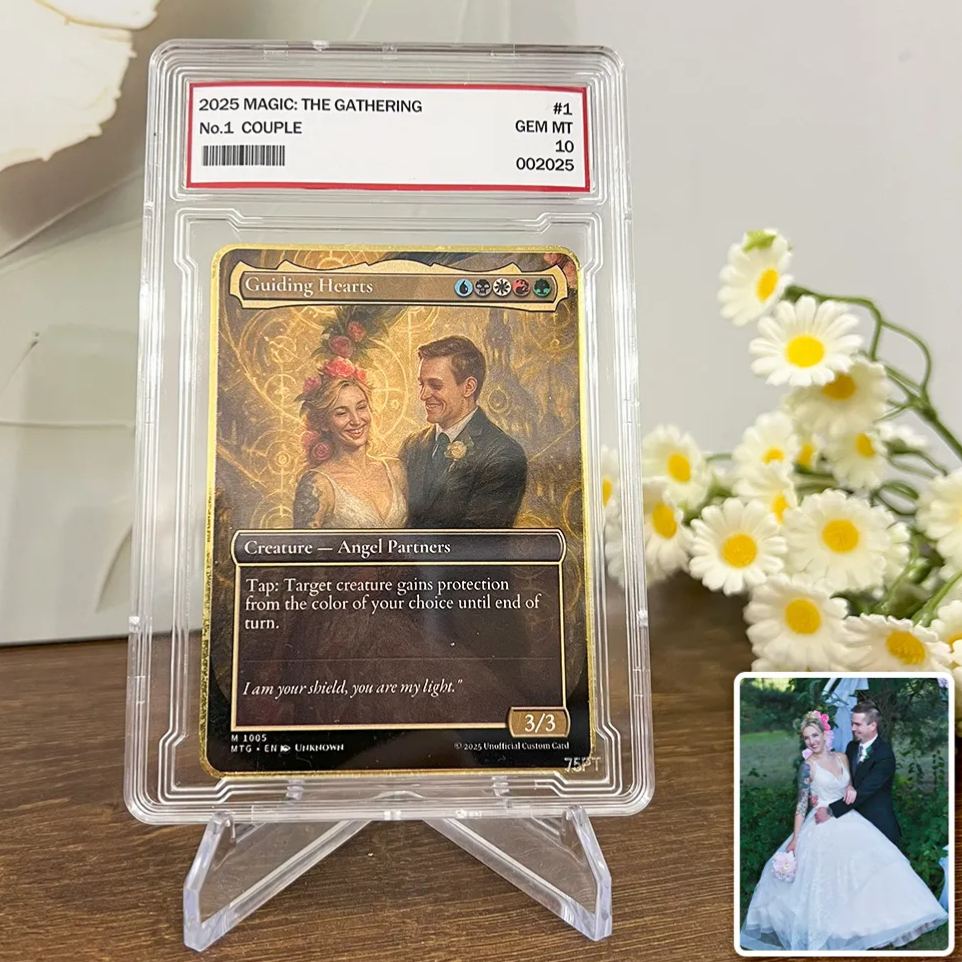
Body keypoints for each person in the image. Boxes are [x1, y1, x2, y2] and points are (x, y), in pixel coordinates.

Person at [740, 708, 947, 952]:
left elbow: (852, 786)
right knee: (827, 879)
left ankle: (881, 923)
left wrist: (848, 790)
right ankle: (837, 930)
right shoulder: (807, 766)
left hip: (849, 818)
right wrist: (795, 839)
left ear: (824, 734)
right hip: (820, 823)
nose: (812, 741)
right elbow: (801, 805)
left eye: (815, 735)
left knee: (872, 867)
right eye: (806, 738)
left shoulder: (843, 757)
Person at [400, 336, 527, 529]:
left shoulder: (503, 454)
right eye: (421, 384)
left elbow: (476, 539)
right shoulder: (412, 446)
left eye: (435, 385)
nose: (423, 395)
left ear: (468, 387)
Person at [293, 360, 407, 529]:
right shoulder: (318, 484)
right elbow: (302, 545)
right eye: (341, 413)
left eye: (361, 408)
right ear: (324, 423)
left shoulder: (395, 470)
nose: (356, 420)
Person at [812, 703, 900, 845]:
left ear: (873, 726)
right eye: (852, 724)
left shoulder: (885, 755)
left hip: (876, 824)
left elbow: (864, 791)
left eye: (858, 725)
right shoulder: (852, 747)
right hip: (851, 820)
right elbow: (844, 779)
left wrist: (830, 811)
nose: (853, 728)